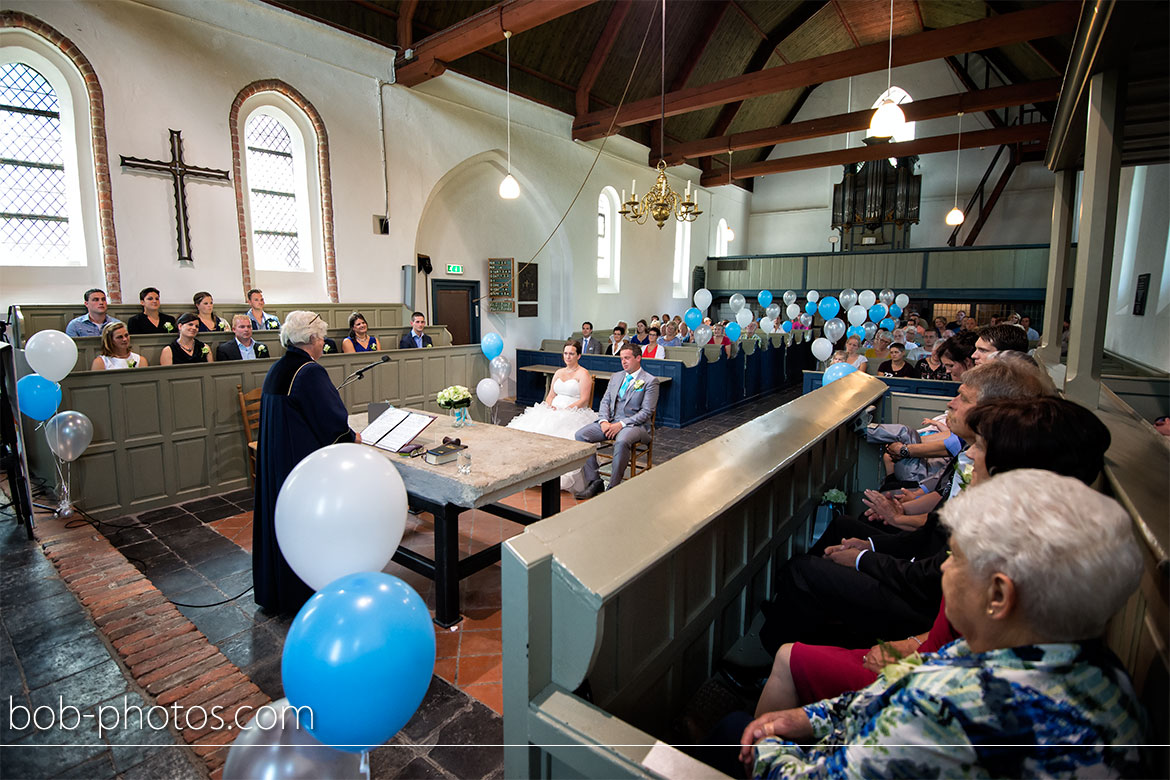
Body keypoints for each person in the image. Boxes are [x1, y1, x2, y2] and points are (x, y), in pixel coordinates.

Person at [740, 470, 1143, 780]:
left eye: (958, 558)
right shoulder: (1111, 679)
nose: (945, 567)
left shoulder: (942, 706)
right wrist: (814, 718)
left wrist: (769, 741)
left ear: (999, 596)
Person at [755, 395, 1115, 717]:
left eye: (981, 447)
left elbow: (935, 586)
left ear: (1014, 470)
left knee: (798, 601)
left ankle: (785, 661)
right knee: (837, 547)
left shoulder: (999, 541)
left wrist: (915, 646)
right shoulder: (1041, 529)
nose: (970, 454)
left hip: (926, 645)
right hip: (933, 642)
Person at [254, 311, 360, 614]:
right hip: (302, 463)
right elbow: (331, 421)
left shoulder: (278, 368)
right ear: (312, 339)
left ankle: (276, 593)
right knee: (305, 527)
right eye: (322, 337)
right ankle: (303, 592)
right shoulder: (309, 371)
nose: (324, 342)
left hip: (278, 462)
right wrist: (352, 437)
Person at [508, 340, 599, 493]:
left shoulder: (583, 374)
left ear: (579, 356)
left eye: (571, 353)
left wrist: (566, 410)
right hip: (553, 409)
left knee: (558, 431)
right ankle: (529, 470)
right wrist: (550, 405)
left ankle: (551, 474)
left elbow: (584, 400)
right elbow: (550, 395)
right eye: (565, 353)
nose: (568, 357)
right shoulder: (558, 372)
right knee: (532, 429)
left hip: (573, 411)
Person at [573, 343, 659, 498]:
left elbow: (646, 412)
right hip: (610, 421)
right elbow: (605, 401)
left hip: (635, 425)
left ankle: (613, 487)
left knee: (621, 441)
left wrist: (621, 424)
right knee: (581, 435)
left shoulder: (650, 381)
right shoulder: (616, 377)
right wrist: (604, 421)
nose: (623, 362)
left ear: (638, 358)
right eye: (621, 358)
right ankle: (595, 481)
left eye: (627, 358)